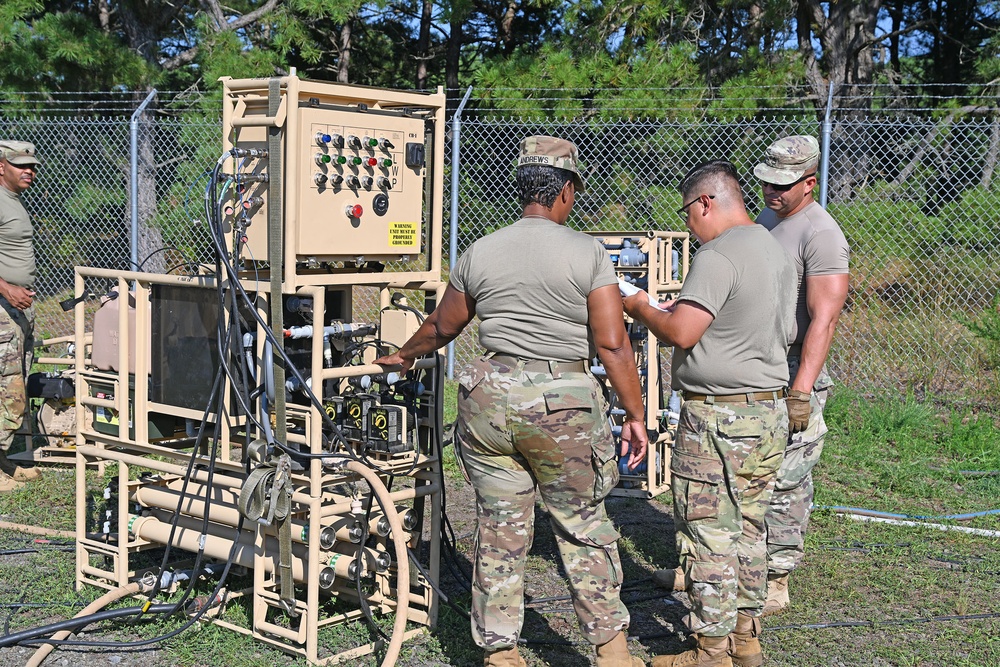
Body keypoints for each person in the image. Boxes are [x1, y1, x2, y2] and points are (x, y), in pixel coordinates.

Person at [375, 135, 648, 667]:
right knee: (582, 525)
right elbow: (613, 343)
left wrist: (402, 356)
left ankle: (500, 655)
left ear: (522, 188)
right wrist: (634, 414)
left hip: (489, 403)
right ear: (566, 191)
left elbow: (442, 325)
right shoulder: (587, 253)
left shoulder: (481, 250)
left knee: (500, 528)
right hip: (560, 407)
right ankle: (613, 654)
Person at [622, 160, 796, 667]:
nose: (689, 226)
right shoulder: (773, 247)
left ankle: (710, 653)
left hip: (718, 419)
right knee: (749, 530)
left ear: (705, 203)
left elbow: (682, 333)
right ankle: (747, 641)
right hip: (767, 412)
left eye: (688, 214)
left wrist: (639, 306)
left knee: (708, 536)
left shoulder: (718, 255)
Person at [752, 136, 849, 615]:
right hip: (756, 363)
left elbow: (824, 318)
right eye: (767, 181)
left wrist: (802, 391)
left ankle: (777, 576)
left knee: (789, 474)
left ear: (809, 183)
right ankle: (708, 568)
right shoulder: (769, 218)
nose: (772, 190)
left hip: (794, 369)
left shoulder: (820, 233)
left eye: (783, 185)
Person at [0, 140, 42, 492]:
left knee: (13, 385)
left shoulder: (12, 202)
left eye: (31, 166)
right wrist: (6, 289)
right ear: (2, 167)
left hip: (14, 310)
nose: (28, 171)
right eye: (19, 165)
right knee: (9, 390)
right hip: (2, 306)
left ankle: (2, 461)